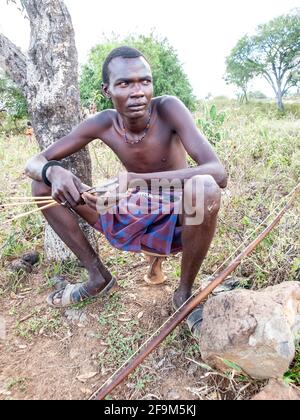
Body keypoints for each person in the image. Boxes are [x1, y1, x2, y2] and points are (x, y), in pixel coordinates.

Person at [25, 46, 227, 338]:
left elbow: (218, 172)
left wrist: (134, 182)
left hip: (177, 213)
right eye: (125, 84)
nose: (138, 92)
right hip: (130, 208)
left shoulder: (168, 108)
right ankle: (97, 276)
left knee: (205, 188)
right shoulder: (103, 123)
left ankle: (183, 294)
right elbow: (34, 162)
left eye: (144, 81)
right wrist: (53, 171)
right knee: (40, 185)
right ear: (107, 90)